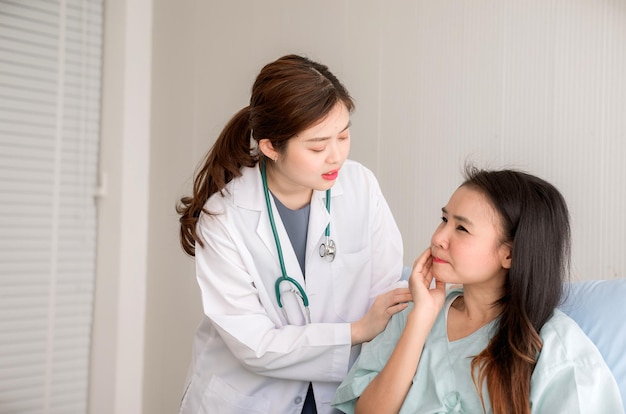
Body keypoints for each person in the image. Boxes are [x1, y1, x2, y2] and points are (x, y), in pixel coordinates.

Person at [176, 54, 412, 414]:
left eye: (344, 135)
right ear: (271, 146)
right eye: (317, 146)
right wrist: (357, 330)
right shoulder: (224, 216)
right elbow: (255, 345)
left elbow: (386, 292)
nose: (336, 157)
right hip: (252, 398)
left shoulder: (360, 186)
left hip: (340, 393)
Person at [332, 166, 624, 414]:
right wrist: (420, 321)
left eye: (462, 229)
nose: (438, 238)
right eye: (444, 219)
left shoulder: (556, 348)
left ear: (509, 255)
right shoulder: (413, 312)